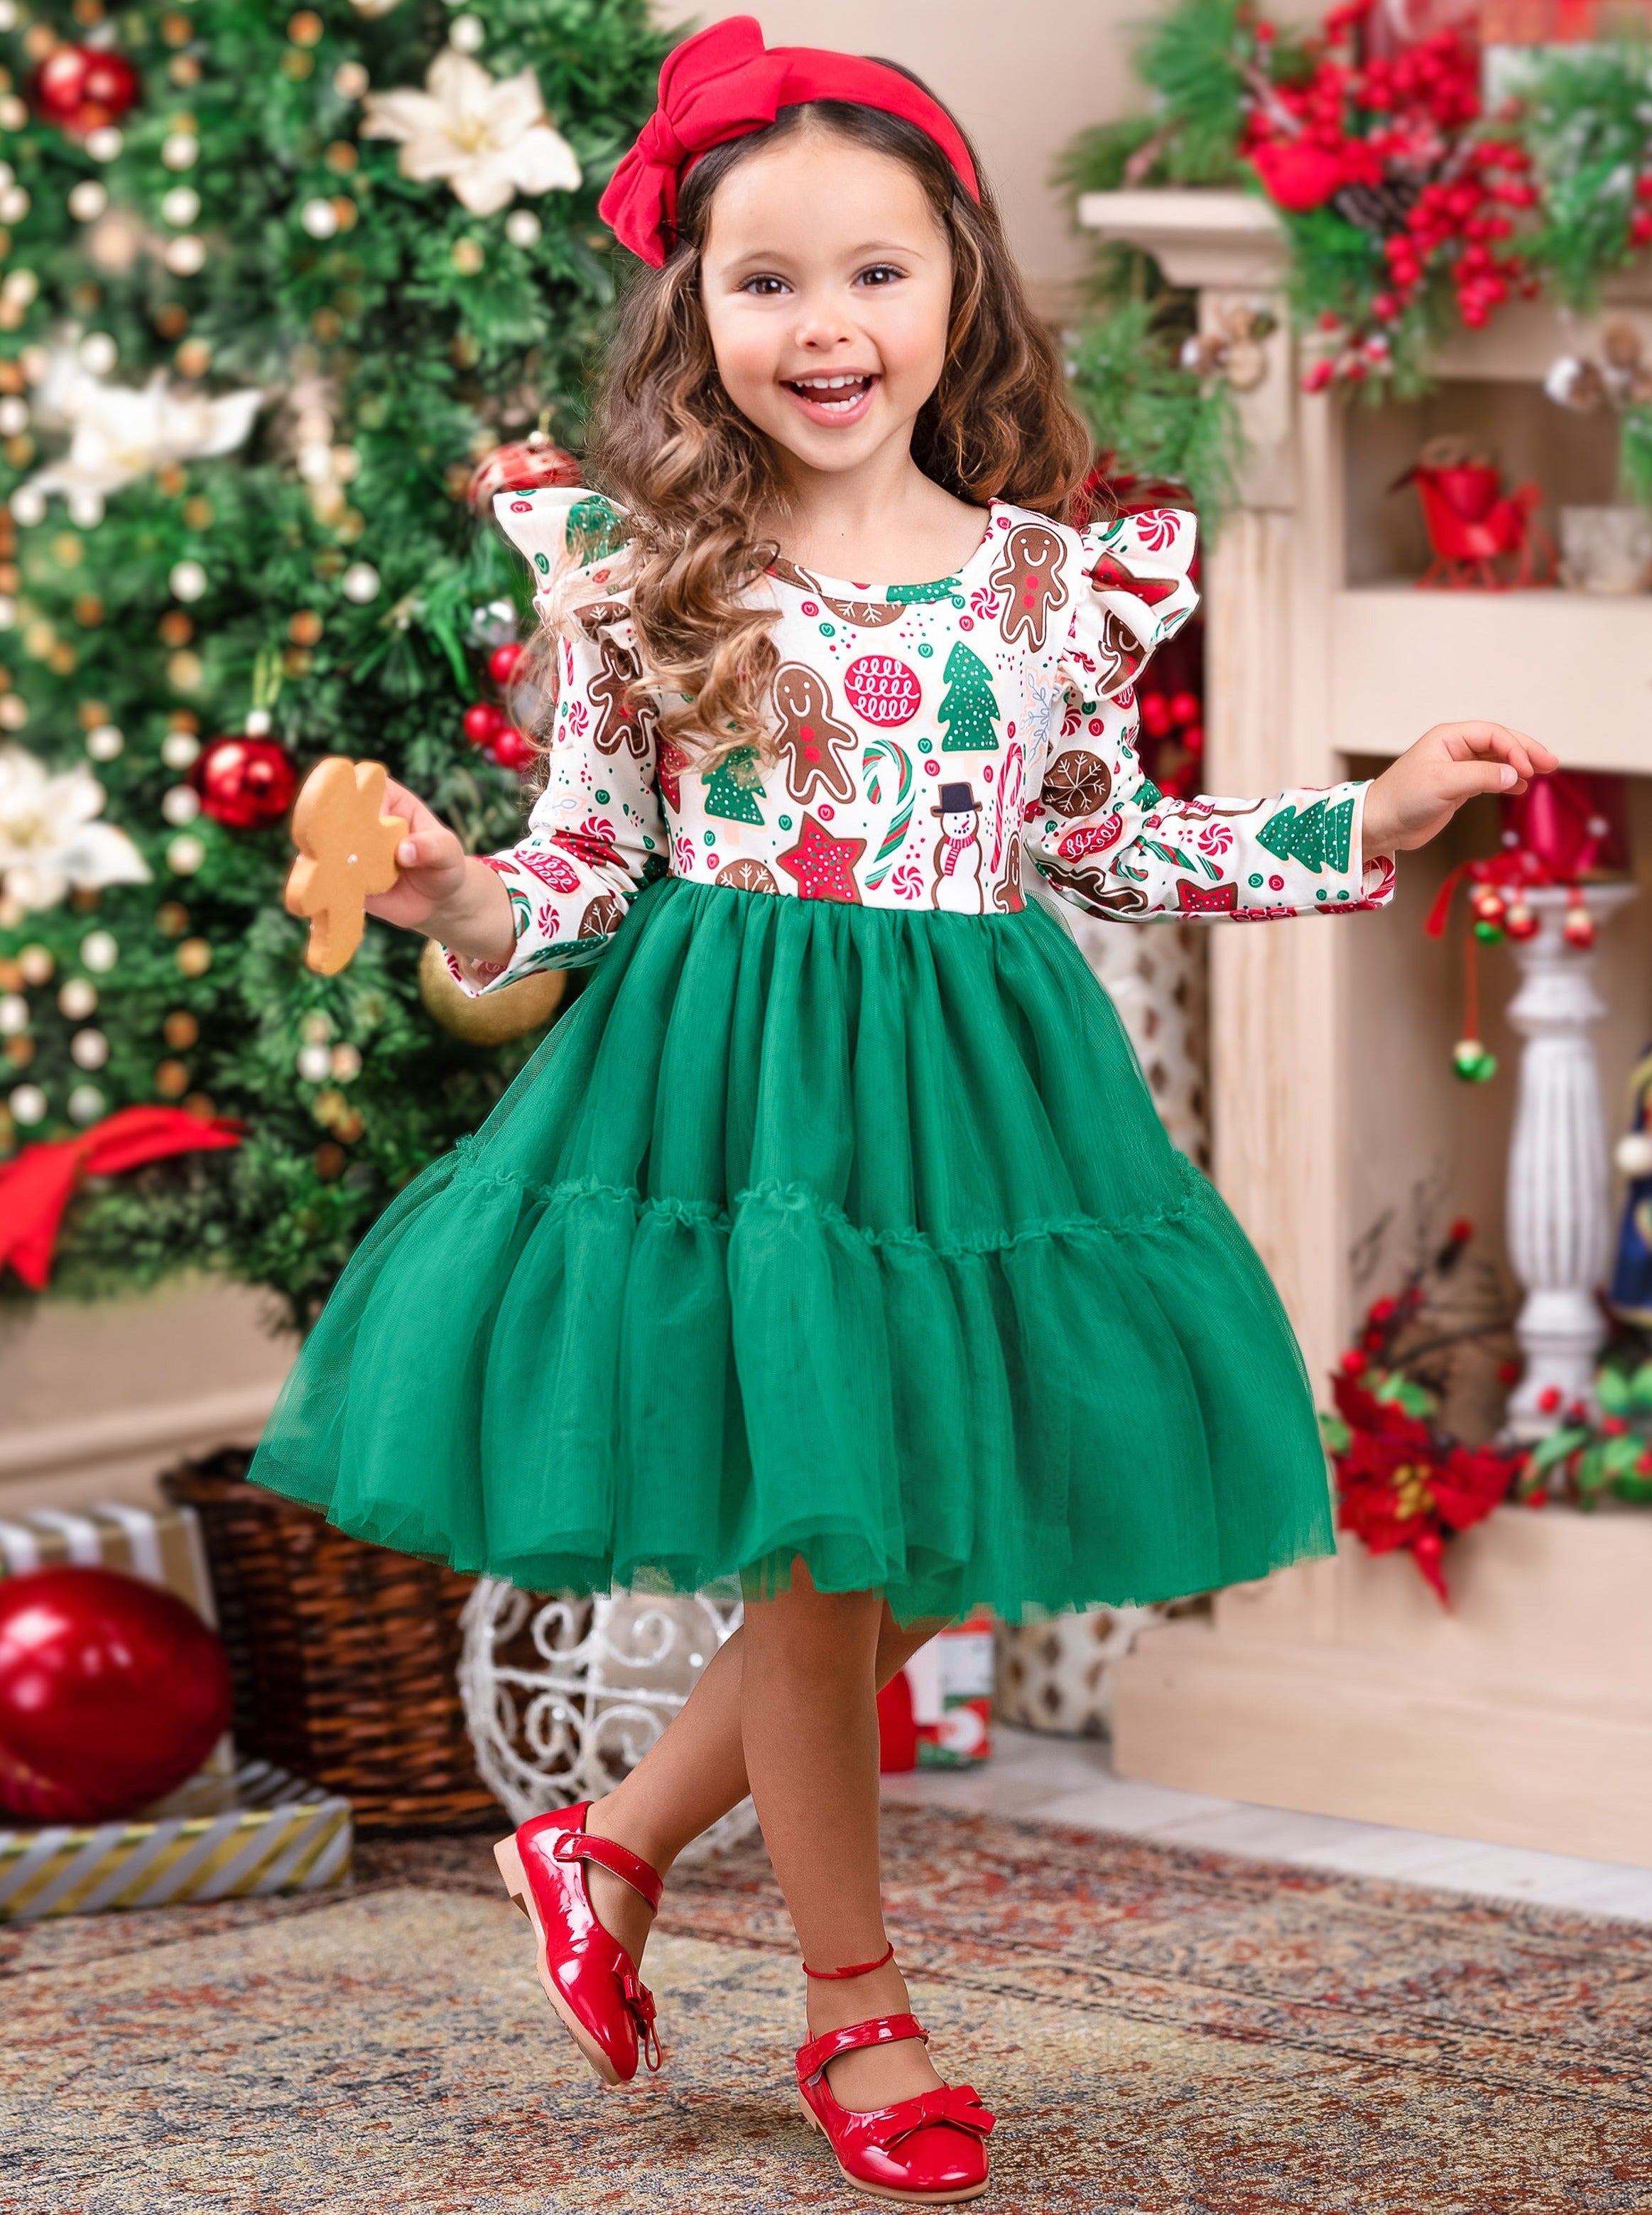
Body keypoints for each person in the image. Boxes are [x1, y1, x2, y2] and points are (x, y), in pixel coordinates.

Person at [249, 18, 1555, 2203]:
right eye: (765, 281)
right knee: (822, 1555)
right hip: (733, 1095)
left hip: (971, 1100)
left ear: (960, 283)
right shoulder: (643, 572)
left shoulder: (1050, 583)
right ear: (695, 310)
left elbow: (1112, 843)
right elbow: (586, 865)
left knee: (930, 1537)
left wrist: (1371, 816)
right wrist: (459, 893)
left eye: (874, 272)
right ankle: (857, 2006)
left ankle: (606, 1843)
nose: (824, 325)